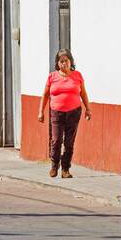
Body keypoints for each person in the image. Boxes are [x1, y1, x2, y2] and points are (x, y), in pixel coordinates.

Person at [36, 50, 91, 178]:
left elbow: (83, 93)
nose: (64, 63)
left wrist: (88, 109)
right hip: (56, 113)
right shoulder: (52, 77)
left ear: (70, 61)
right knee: (56, 140)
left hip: (74, 112)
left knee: (69, 142)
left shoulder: (77, 75)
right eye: (61, 61)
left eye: (66, 61)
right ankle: (54, 165)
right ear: (57, 63)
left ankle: (65, 169)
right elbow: (45, 95)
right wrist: (41, 112)